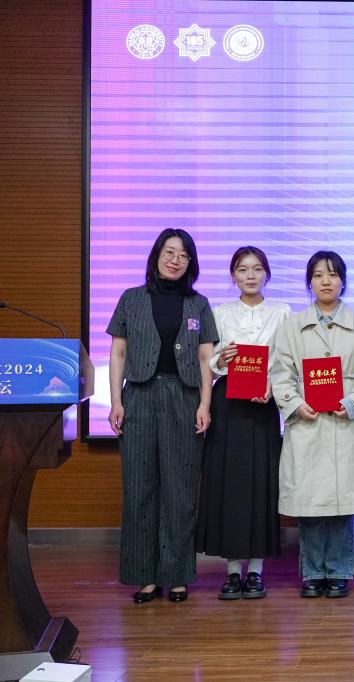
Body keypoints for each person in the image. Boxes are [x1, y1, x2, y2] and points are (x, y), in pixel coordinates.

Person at [106, 228, 218, 604]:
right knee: (139, 488)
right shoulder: (131, 298)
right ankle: (146, 577)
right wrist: (116, 400)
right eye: (169, 252)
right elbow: (118, 353)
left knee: (180, 489)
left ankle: (177, 575)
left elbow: (205, 357)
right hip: (138, 396)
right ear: (156, 255)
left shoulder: (198, 303)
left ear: (191, 263)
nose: (175, 260)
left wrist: (204, 404)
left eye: (184, 255)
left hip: (184, 398)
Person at [271, 251, 354, 598]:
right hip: (308, 420)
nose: (326, 281)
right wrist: (295, 404)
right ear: (309, 283)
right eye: (318, 275)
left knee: (342, 500)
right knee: (310, 499)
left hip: (344, 419)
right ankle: (312, 572)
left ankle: (340, 571)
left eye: (333, 275)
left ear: (343, 281)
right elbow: (280, 372)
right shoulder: (292, 325)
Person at [196, 246, 291, 600]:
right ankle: (233, 571)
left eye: (257, 269)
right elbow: (209, 362)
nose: (250, 275)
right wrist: (222, 359)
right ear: (233, 275)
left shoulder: (282, 312)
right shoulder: (219, 313)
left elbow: (286, 361)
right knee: (230, 484)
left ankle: (256, 572)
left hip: (263, 403)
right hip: (228, 404)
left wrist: (272, 386)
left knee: (261, 483)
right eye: (242, 269)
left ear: (267, 273)